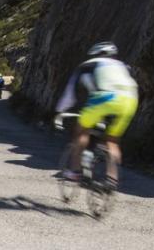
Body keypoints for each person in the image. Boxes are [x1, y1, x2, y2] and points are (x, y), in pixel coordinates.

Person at [55, 41, 139, 190]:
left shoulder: (89, 65)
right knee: (112, 141)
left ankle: (75, 171)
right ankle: (111, 179)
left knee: (81, 131)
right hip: (130, 100)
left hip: (105, 98)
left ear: (94, 54)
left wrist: (60, 111)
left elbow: (70, 93)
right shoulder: (123, 66)